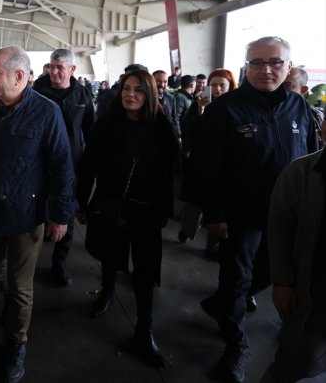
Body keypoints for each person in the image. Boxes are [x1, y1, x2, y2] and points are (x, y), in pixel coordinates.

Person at [0, 46, 76, 383]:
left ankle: (16, 343)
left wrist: (61, 215)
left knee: (21, 289)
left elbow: (62, 168)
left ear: (20, 76)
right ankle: (10, 305)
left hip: (26, 212)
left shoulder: (47, 113)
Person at [198, 36, 319, 383]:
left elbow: (313, 162)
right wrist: (216, 215)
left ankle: (222, 302)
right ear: (246, 66)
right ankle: (236, 345)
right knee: (237, 279)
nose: (266, 69)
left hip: (291, 217)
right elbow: (208, 167)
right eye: (257, 63)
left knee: (273, 276)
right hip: (242, 215)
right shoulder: (225, 110)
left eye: (275, 62)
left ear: (289, 66)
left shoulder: (299, 108)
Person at [77, 69, 178, 369]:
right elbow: (88, 164)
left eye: (138, 90)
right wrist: (81, 201)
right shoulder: (107, 123)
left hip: (146, 210)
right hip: (110, 203)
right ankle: (106, 291)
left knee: (145, 270)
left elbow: (169, 173)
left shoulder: (161, 126)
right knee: (110, 253)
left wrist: (164, 209)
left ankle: (144, 328)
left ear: (150, 94)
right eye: (126, 88)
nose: (130, 94)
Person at [263, 120, 326, 383]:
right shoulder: (301, 172)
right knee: (296, 361)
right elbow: (280, 228)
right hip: (315, 293)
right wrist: (284, 281)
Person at [32, 48, 95, 287]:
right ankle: (30, 258)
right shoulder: (38, 89)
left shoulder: (82, 95)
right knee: (39, 206)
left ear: (72, 69)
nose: (55, 72)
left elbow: (91, 130)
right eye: (52, 66)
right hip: (40, 161)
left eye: (60, 67)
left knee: (66, 209)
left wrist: (90, 160)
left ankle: (59, 263)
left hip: (72, 163)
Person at [177, 69, 237, 251]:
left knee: (219, 208)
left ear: (230, 87)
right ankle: (187, 230)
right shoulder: (199, 106)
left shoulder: (236, 108)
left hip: (225, 167)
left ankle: (214, 244)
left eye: (222, 86)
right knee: (195, 204)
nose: (218, 89)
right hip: (201, 164)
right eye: (213, 86)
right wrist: (200, 111)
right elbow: (189, 131)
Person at [285, 67, 324, 149]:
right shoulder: (266, 114)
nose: (280, 90)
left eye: (287, 85)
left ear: (303, 90)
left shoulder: (314, 116)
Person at [152, 70, 179, 139]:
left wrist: (178, 136)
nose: (162, 85)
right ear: (151, 81)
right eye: (158, 81)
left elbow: (174, 118)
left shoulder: (171, 98)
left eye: (165, 81)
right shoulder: (145, 98)